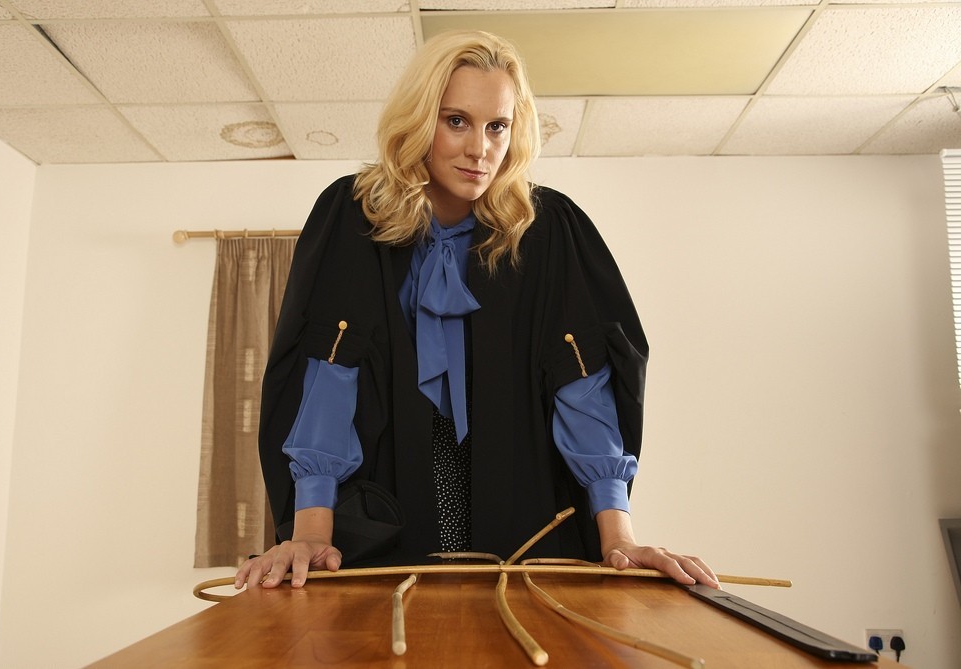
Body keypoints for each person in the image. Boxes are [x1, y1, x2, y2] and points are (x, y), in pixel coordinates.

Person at [235, 30, 718, 591]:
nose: (480, 149)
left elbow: (583, 384)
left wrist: (620, 538)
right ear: (420, 120)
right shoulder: (355, 216)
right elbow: (329, 372)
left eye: (498, 126)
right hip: (385, 511)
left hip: (522, 515)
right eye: (457, 121)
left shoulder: (548, 230)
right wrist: (312, 533)